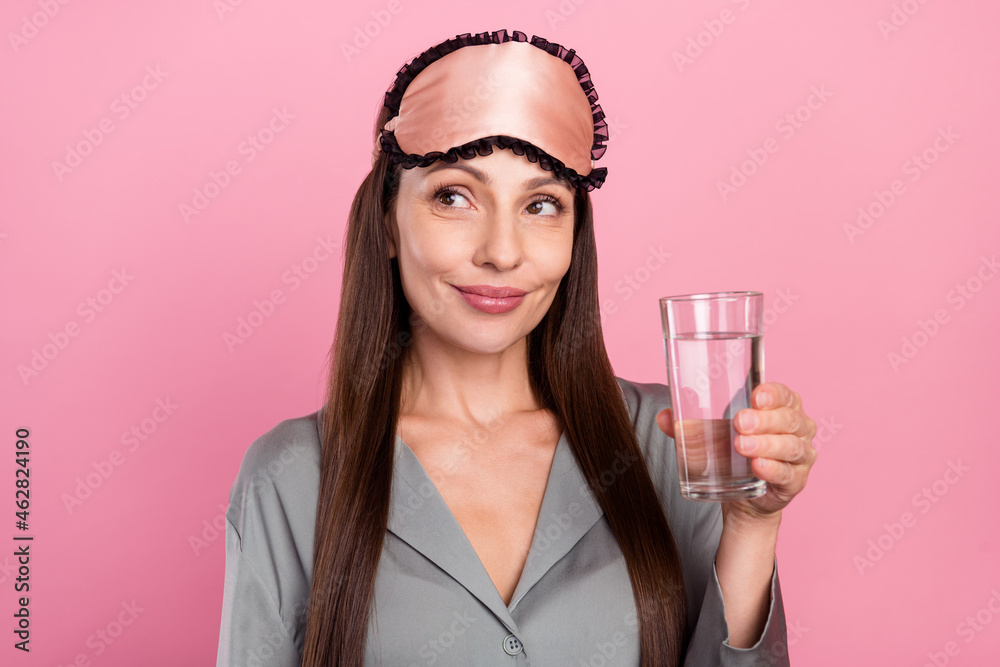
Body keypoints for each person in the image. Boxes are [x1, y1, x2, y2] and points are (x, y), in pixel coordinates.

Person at [216, 29, 818, 666]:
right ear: (388, 222)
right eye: (454, 196)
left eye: (541, 204)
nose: (502, 251)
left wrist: (754, 525)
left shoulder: (673, 445)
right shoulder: (290, 476)